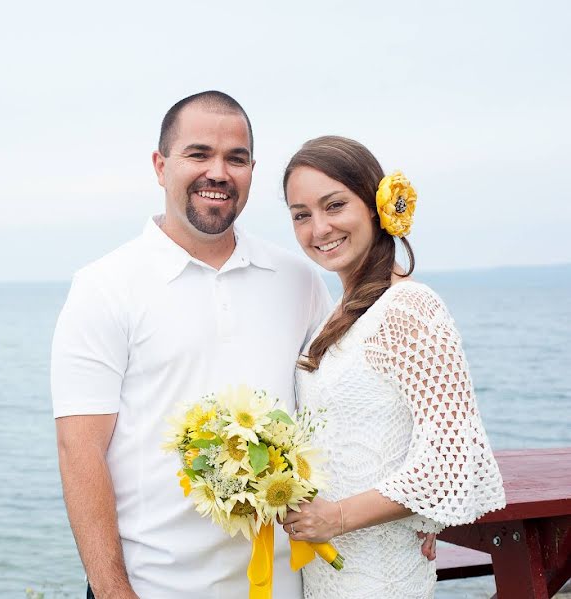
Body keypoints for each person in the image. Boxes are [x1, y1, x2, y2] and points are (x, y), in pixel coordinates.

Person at [51, 91, 333, 597]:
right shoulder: (104, 285)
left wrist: (412, 512)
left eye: (237, 158)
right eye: (199, 154)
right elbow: (80, 449)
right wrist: (115, 591)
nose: (219, 172)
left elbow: (343, 408)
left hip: (281, 584)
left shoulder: (299, 280)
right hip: (154, 585)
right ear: (161, 166)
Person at [279, 136, 506, 598]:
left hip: (380, 575)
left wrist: (338, 517)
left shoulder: (410, 307)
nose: (318, 228)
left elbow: (450, 462)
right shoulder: (335, 314)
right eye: (301, 214)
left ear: (375, 206)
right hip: (325, 572)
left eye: (334, 205)